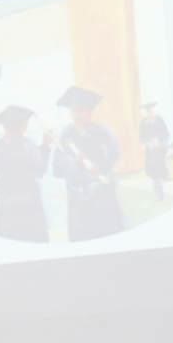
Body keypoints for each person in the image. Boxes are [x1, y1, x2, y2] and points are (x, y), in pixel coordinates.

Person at [51, 85, 125, 240]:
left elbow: (114, 152)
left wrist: (101, 166)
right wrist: (74, 162)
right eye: (73, 111)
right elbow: (57, 167)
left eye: (81, 111)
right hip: (78, 198)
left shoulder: (100, 131)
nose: (77, 115)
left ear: (89, 112)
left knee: (108, 233)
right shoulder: (66, 135)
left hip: (101, 193)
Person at [0, 105, 52, 242]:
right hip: (29, 203)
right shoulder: (28, 145)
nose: (26, 127)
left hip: (6, 205)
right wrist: (45, 147)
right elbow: (40, 171)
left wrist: (4, 188)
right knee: (34, 240)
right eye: (24, 124)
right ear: (18, 126)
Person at [139, 102, 171, 199]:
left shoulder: (159, 120)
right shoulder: (144, 122)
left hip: (160, 150)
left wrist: (158, 141)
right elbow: (141, 137)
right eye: (148, 112)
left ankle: (160, 189)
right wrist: (147, 143)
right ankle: (158, 190)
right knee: (152, 172)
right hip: (150, 151)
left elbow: (166, 135)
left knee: (160, 171)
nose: (150, 113)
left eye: (151, 111)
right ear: (146, 113)